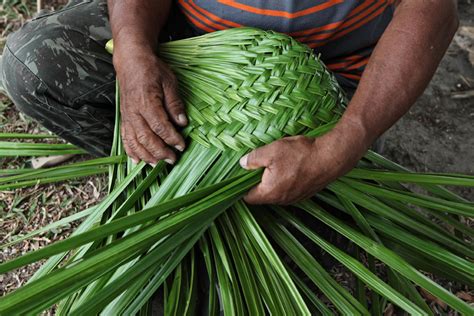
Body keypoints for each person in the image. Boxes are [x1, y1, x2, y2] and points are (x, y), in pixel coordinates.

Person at [0, 0, 458, 205]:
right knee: (33, 62)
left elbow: (432, 7)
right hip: (193, 44)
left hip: (327, 75)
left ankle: (234, 190)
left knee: (316, 196)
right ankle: (173, 179)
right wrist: (134, 53)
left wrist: (345, 141)